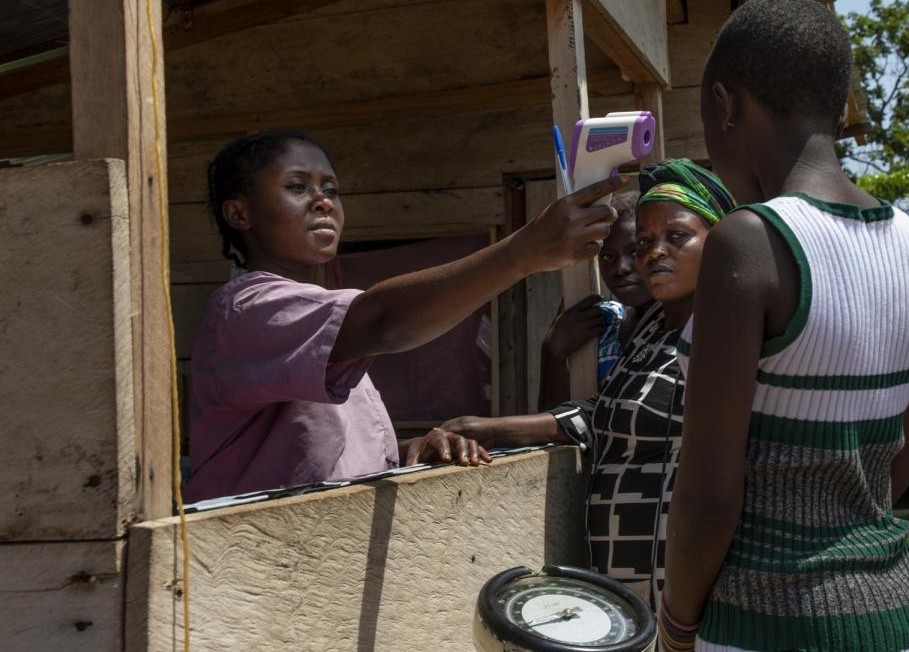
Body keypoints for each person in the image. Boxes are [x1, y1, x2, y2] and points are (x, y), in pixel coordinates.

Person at [659, 0, 909, 652]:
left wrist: (675, 628)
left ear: (726, 106)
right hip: (907, 616)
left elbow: (709, 496)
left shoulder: (751, 241)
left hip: (770, 623)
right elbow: (905, 450)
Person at [183, 129, 625, 502]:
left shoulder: (316, 316)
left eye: (331, 189)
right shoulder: (246, 310)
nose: (322, 202)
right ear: (240, 213)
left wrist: (414, 451)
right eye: (297, 187)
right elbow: (385, 322)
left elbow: (326, 458)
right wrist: (521, 253)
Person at [419, 159, 735, 604]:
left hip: (682, 590)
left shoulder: (725, 339)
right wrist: (480, 427)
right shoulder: (648, 330)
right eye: (645, 241)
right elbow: (602, 414)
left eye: (676, 236)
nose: (652, 253)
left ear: (720, 242)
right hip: (621, 578)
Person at [539, 191, 655, 411]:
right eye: (607, 256)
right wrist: (552, 353)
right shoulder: (602, 323)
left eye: (634, 251)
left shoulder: (684, 323)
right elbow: (555, 421)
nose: (620, 268)